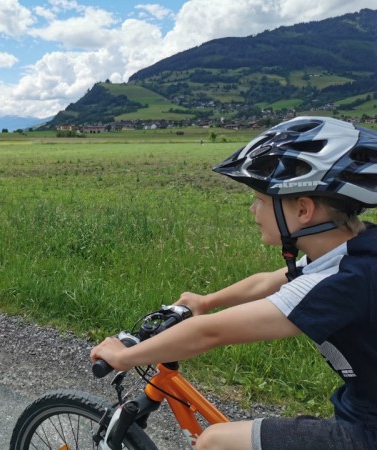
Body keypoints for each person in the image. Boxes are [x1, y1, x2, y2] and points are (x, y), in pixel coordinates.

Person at [90, 116, 377, 450]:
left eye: (261, 199)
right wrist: (205, 300)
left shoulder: (342, 281)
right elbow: (270, 281)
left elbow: (211, 333)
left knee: (214, 441)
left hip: (366, 432)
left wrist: (126, 356)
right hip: (361, 409)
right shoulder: (351, 248)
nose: (253, 210)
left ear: (303, 209)